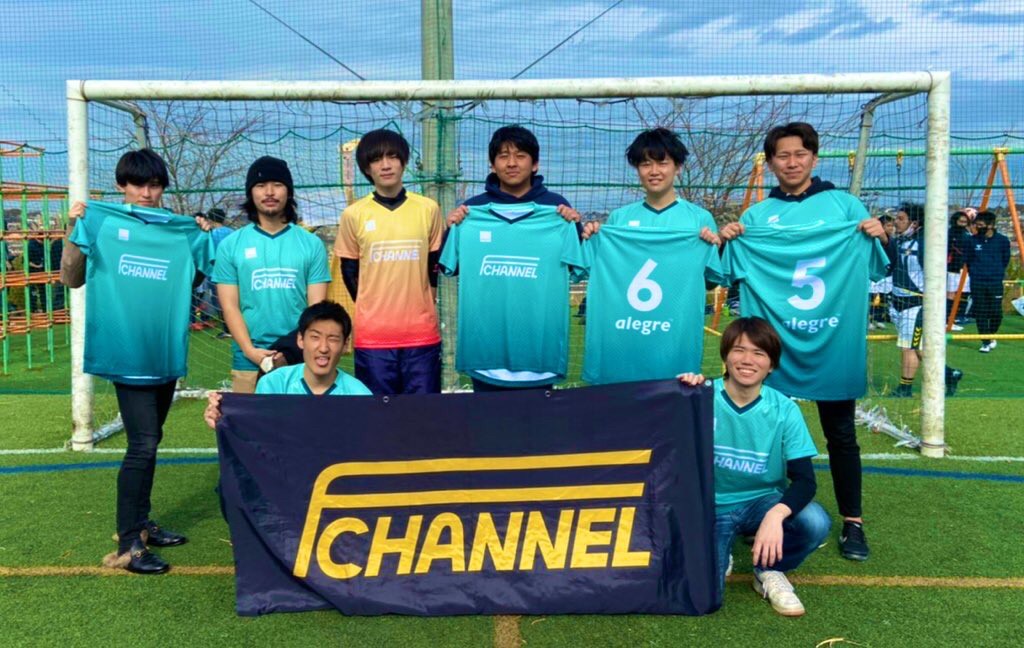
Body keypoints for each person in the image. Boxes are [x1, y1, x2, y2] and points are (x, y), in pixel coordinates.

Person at [719, 122, 887, 562]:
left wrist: (879, 234)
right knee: (764, 432)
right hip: (771, 344)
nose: (791, 163)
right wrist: (727, 240)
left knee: (841, 434)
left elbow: (878, 266)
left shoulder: (845, 206)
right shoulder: (756, 217)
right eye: (782, 155)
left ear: (814, 157)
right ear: (770, 162)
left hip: (832, 340)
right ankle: (762, 512)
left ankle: (853, 521)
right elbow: (724, 268)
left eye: (800, 154)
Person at [59, 148, 214, 575]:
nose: (147, 193)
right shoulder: (102, 221)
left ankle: (141, 524)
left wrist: (203, 231)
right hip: (126, 352)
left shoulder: (181, 230)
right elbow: (70, 278)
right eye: (138, 184)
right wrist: (74, 228)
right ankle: (128, 543)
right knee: (142, 444)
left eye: (155, 185)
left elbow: (195, 278)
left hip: (163, 352)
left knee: (151, 439)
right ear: (121, 186)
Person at [678, 317, 829, 617]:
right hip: (709, 507)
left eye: (759, 353)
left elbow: (805, 481)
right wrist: (679, 392)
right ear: (725, 356)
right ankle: (720, 552)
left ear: (771, 364)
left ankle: (769, 569)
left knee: (814, 522)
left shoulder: (784, 409)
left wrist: (775, 515)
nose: (747, 360)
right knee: (704, 596)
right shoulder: (700, 396)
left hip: (761, 502)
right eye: (739, 350)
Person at [442, 124, 582, 392]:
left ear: (535, 163)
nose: (512, 163)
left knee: (537, 421)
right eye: (503, 156)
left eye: (520, 155)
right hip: (485, 357)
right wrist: (453, 229)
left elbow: (579, 265)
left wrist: (575, 226)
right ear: (492, 164)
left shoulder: (557, 210)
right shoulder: (471, 212)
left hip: (539, 358)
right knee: (488, 419)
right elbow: (450, 266)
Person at [578, 128, 723, 384]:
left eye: (662, 163)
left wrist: (713, 247)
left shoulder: (699, 219)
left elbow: (710, 281)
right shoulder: (619, 219)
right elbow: (606, 273)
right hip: (625, 342)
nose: (654, 171)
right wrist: (593, 237)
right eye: (645, 164)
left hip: (673, 347)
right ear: (637, 169)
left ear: (678, 167)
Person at [335, 129, 444, 395]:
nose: (386, 165)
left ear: (403, 162)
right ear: (366, 168)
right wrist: (372, 306)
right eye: (377, 159)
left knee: (425, 414)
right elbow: (349, 270)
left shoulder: (428, 209)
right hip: (373, 339)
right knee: (378, 415)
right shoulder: (354, 214)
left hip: (421, 336)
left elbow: (434, 267)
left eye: (393, 157)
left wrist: (422, 304)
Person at [213, 156, 331, 393]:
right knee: (250, 419)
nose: (269, 192)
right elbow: (230, 307)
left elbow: (316, 310)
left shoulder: (311, 244)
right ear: (250, 192)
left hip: (300, 358)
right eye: (260, 185)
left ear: (288, 191)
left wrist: (292, 351)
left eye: (277, 184)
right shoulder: (230, 245)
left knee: (301, 418)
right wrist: (250, 351)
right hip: (248, 360)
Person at [205, 301, 371, 427]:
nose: (323, 348)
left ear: (345, 345)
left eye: (333, 339)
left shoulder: (360, 395)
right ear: (300, 340)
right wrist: (223, 416)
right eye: (315, 337)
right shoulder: (273, 384)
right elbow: (254, 431)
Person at [967, 210, 1011, 353]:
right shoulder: (972, 240)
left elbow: (1005, 259)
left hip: (995, 282)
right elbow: (969, 260)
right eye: (977, 225)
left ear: (990, 225)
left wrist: (996, 272)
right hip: (977, 282)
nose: (978, 227)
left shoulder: (1002, 241)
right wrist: (975, 273)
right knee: (981, 312)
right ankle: (985, 342)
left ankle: (991, 335)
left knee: (996, 313)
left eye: (981, 225)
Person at [946, 211, 973, 330]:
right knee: (951, 293)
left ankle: (958, 316)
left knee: (963, 292)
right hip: (953, 268)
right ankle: (947, 319)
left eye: (965, 222)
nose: (963, 224)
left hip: (965, 268)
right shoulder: (951, 233)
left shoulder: (967, 233)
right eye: (961, 221)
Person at [868, 214, 893, 330]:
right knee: (871, 297)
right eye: (888, 225)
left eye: (892, 226)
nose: (891, 228)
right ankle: (868, 320)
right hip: (875, 273)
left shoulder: (892, 241)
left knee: (883, 297)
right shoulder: (874, 240)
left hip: (887, 275)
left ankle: (878, 319)